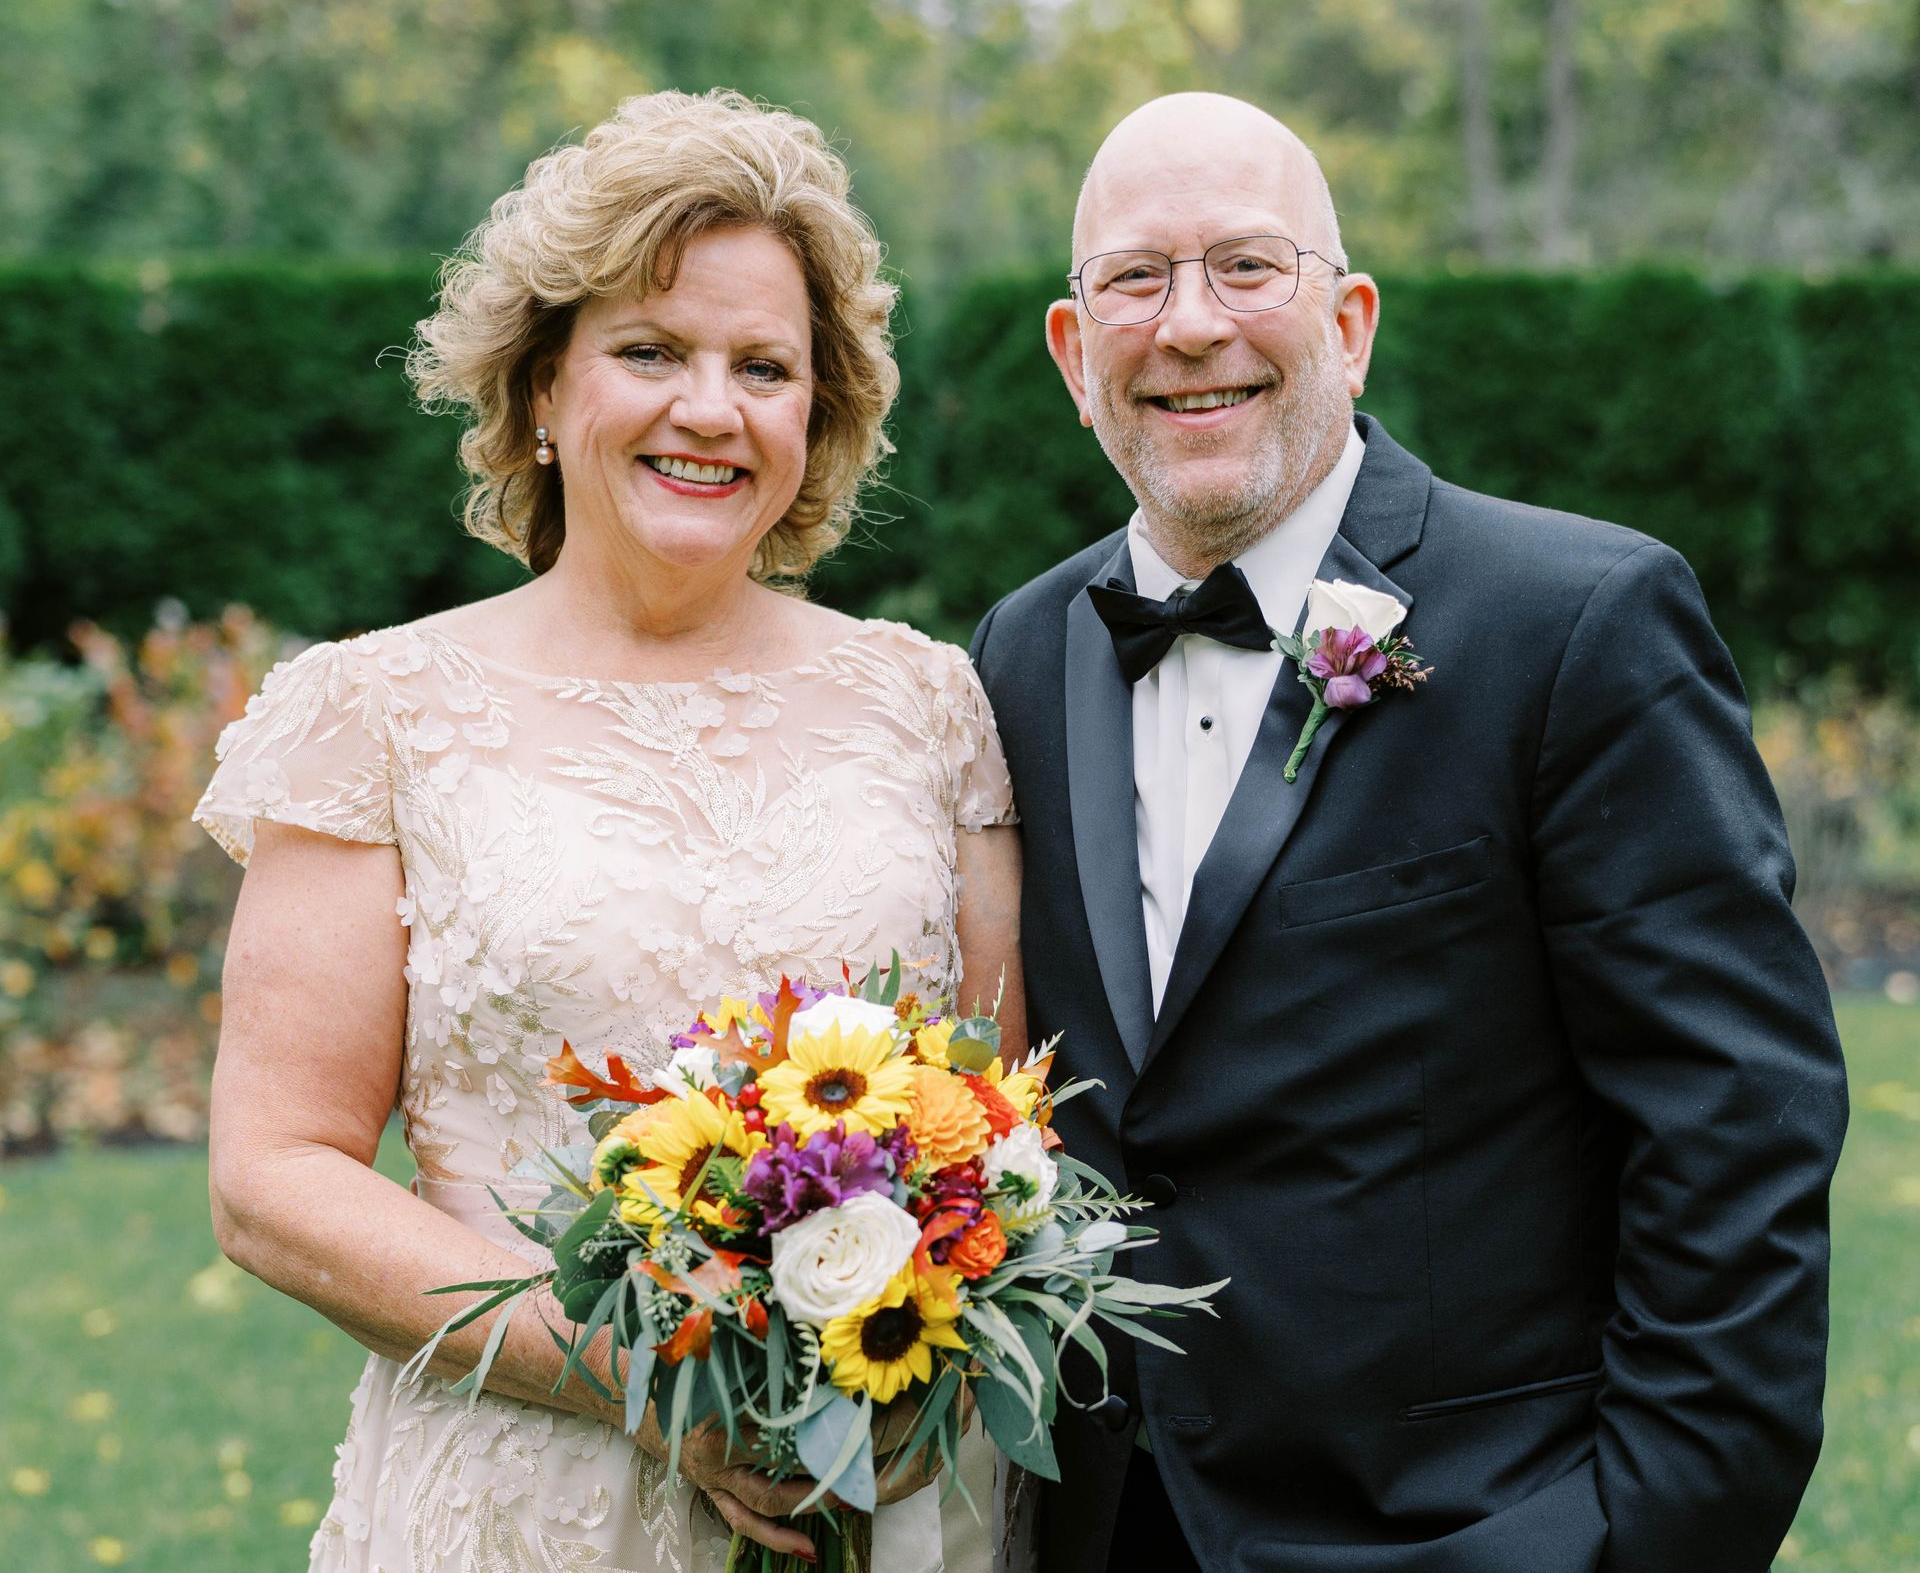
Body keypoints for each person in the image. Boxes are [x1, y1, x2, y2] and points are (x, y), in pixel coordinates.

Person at [970, 91, 1846, 1573]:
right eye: (1135, 278)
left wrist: (1638, 1542)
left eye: (1249, 266)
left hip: (1475, 1531)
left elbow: (1735, 1131)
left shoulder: (1578, 625)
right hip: (1103, 1525)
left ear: (1352, 320)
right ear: (1073, 352)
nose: (1190, 326)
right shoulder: (1018, 651)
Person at [195, 89, 1021, 1573]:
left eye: (763, 367)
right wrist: (647, 1378)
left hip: (885, 1500)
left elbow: (1015, 1118)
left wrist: (931, 1343)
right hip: (520, 1497)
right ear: (539, 391)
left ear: (814, 418)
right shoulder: (373, 711)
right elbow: (277, 1174)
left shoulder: (931, 704)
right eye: (650, 352)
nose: (711, 408)